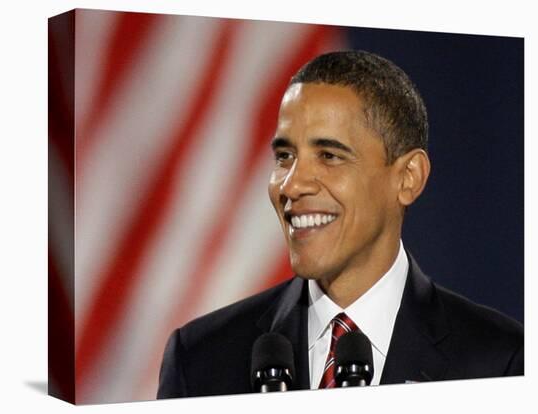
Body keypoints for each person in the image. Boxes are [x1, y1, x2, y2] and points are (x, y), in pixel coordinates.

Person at [156, 50, 523, 399]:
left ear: (408, 178)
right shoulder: (199, 360)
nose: (292, 185)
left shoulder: (501, 361)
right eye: (285, 156)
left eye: (329, 156)